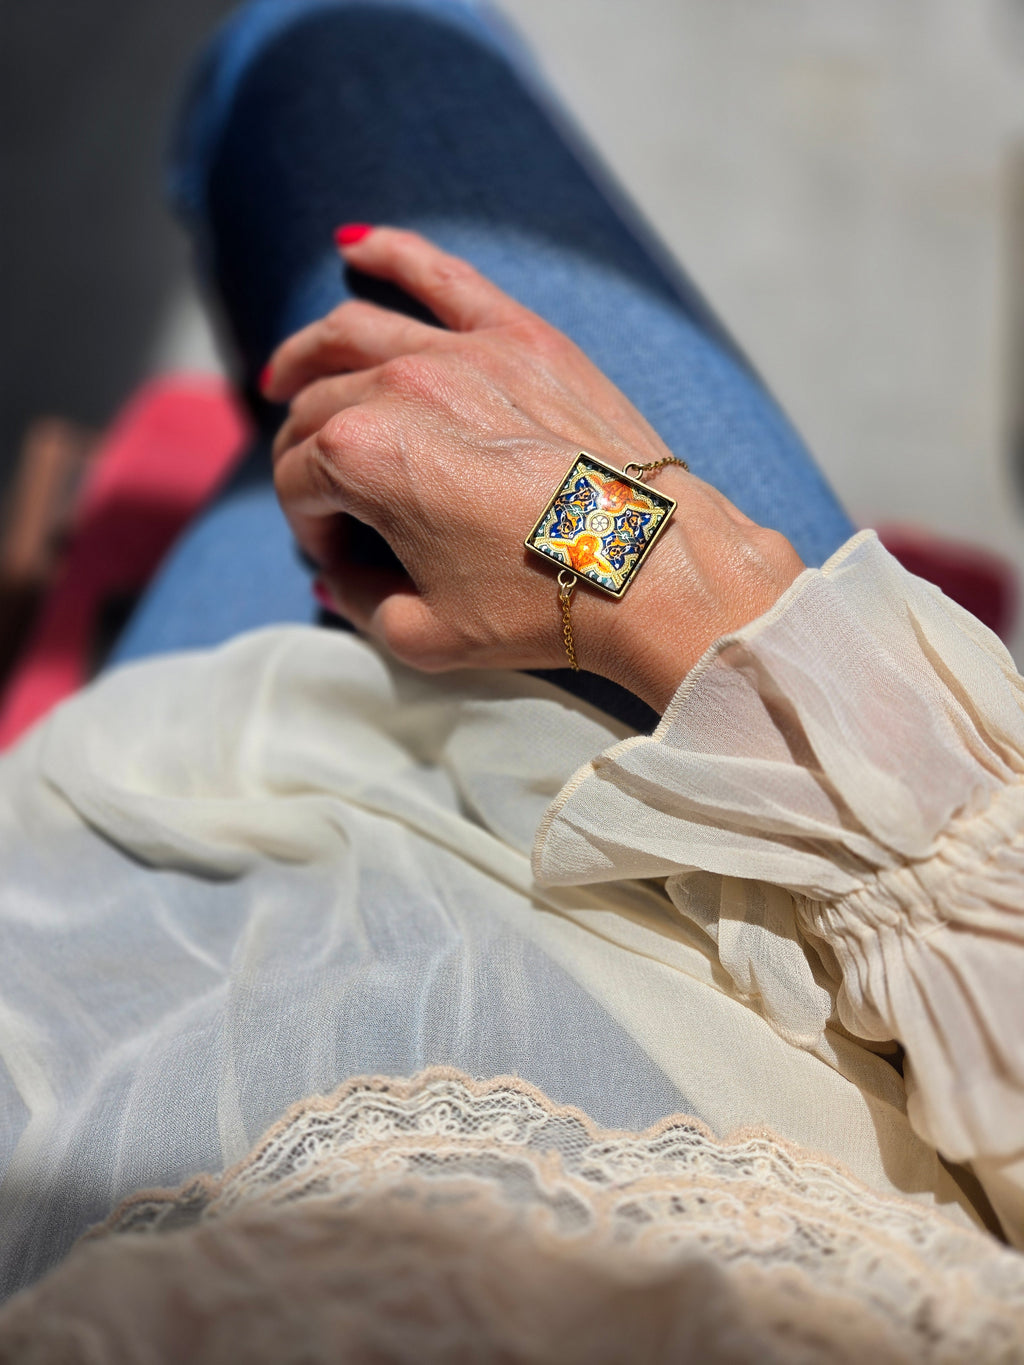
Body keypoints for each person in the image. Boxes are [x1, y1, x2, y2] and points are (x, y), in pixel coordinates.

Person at [1, 0, 1023, 1357]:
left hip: (124, 978)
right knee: (365, 292)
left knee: (335, 73)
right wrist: (646, 560)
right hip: (834, 886)